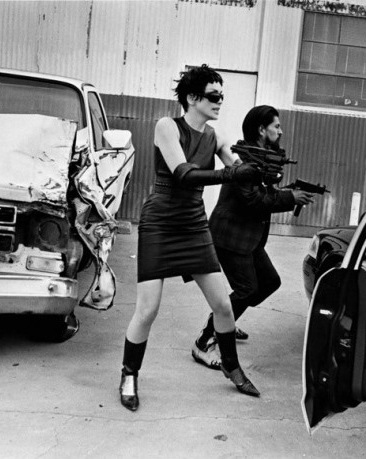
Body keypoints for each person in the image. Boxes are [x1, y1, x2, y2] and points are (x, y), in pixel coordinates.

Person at [119, 64, 262, 412]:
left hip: (194, 224)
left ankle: (231, 366)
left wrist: (258, 173)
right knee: (147, 309)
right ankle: (129, 374)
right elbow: (184, 174)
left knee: (223, 305)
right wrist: (232, 173)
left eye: (222, 95)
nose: (220, 101)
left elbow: (237, 167)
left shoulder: (216, 136)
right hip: (160, 222)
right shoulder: (167, 127)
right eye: (213, 96)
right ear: (193, 98)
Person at [191, 105, 315, 369]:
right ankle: (205, 340)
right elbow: (253, 201)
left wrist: (289, 191)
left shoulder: (261, 157)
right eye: (276, 126)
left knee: (269, 282)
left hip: (249, 238)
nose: (281, 131)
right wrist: (290, 198)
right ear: (261, 130)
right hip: (231, 237)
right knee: (247, 289)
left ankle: (227, 320)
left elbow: (261, 193)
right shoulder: (246, 161)